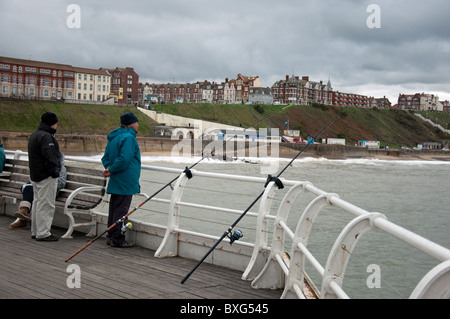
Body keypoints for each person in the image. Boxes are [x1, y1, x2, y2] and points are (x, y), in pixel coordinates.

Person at [101, 112, 141, 248]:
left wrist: (108, 168)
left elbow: (105, 157)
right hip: (126, 180)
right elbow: (125, 159)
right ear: (130, 124)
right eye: (136, 122)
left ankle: (111, 235)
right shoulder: (129, 138)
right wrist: (111, 170)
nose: (138, 125)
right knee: (121, 210)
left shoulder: (114, 137)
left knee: (114, 209)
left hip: (116, 179)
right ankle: (117, 238)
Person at [28, 112, 62, 241]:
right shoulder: (47, 137)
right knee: (46, 204)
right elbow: (50, 157)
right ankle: (43, 233)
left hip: (36, 175)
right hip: (46, 176)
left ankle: (35, 231)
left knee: (37, 202)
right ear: (52, 123)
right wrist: (55, 172)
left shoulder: (35, 134)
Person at [9, 154, 67, 229]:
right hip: (38, 189)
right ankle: (24, 213)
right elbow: (32, 178)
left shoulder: (61, 168)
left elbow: (61, 184)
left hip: (50, 191)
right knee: (28, 188)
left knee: (29, 191)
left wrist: (45, 181)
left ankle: (23, 216)